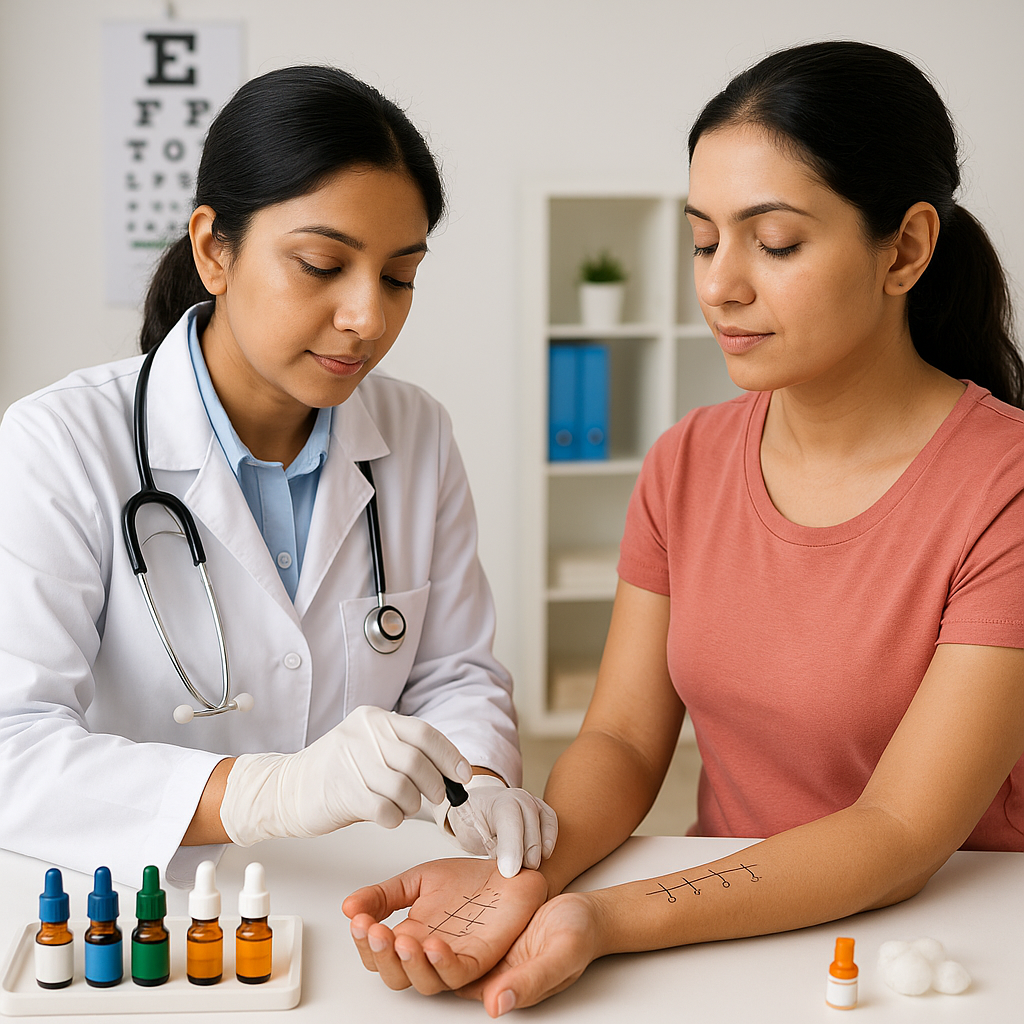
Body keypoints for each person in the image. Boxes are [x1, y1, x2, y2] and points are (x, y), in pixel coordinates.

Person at [342, 40, 1024, 1014]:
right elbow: (621, 738)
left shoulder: (1005, 485)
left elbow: (901, 829)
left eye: (774, 243)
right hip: (726, 941)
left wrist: (609, 916)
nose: (718, 285)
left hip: (942, 954)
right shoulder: (686, 460)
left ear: (906, 249)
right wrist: (522, 877)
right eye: (703, 241)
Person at [0, 65, 555, 888]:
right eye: (322, 264)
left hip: (369, 895)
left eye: (399, 276)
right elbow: (14, 749)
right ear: (212, 250)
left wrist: (473, 783)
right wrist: (266, 794)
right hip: (150, 910)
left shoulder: (416, 432)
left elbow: (452, 673)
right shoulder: (62, 442)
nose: (368, 317)